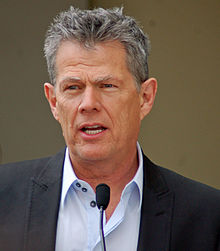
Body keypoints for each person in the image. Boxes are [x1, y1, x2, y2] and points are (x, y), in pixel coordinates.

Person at [0, 6, 219, 251]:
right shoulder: (4, 197)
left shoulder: (207, 216)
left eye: (107, 85)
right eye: (73, 87)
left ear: (145, 97)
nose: (89, 104)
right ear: (53, 102)